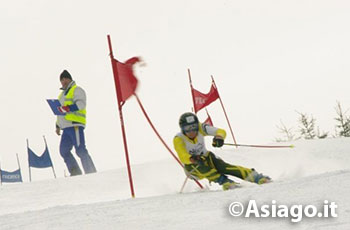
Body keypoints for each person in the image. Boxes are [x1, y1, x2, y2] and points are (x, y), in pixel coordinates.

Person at [173, 112, 270, 190]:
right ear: (182, 129)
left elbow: (221, 131)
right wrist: (192, 158)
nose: (192, 131)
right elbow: (182, 155)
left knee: (224, 167)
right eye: (188, 128)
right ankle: (225, 182)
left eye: (194, 127)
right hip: (192, 167)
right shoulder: (178, 139)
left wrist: (219, 137)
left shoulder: (201, 128)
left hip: (206, 157)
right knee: (202, 167)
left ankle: (257, 177)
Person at [55, 70, 97, 176]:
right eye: (61, 79)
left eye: (65, 79)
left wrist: (68, 108)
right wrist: (57, 125)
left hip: (75, 125)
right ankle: (75, 172)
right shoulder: (61, 95)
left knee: (80, 150)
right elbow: (59, 112)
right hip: (66, 127)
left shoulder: (76, 90)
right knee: (63, 151)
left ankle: (91, 172)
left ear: (70, 79)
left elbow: (81, 104)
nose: (63, 81)